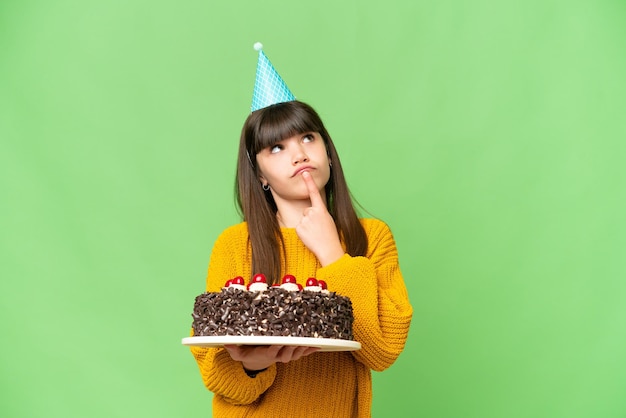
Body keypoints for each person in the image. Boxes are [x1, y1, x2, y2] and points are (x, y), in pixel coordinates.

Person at [189, 45, 412, 417]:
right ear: (260, 174)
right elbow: (215, 371)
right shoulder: (234, 246)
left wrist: (334, 256)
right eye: (277, 147)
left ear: (327, 149)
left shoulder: (372, 237)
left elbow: (382, 351)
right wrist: (254, 363)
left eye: (308, 138)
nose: (299, 154)